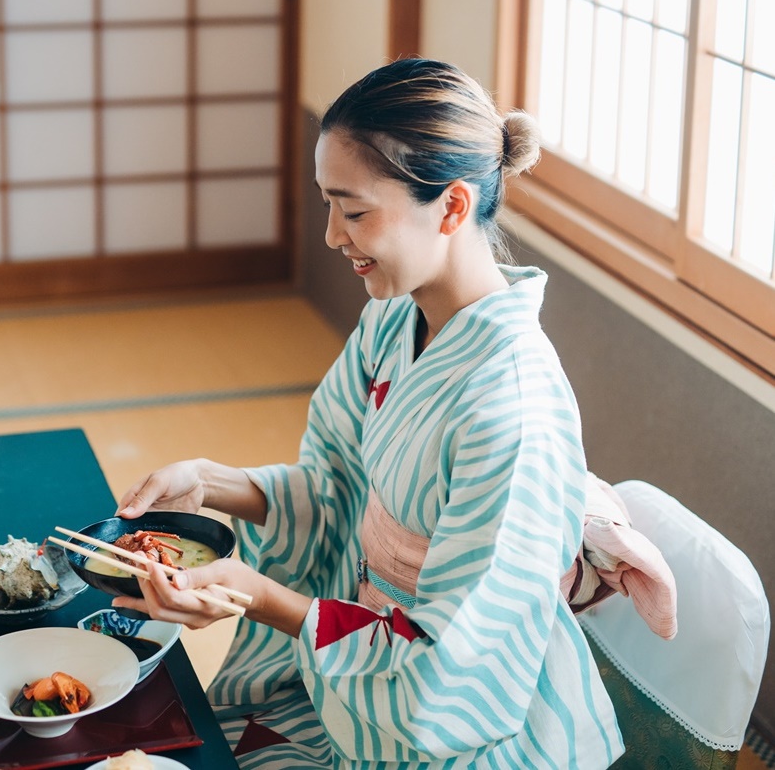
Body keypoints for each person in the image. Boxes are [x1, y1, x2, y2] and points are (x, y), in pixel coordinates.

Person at [113, 57, 625, 769]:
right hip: (349, 668)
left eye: (353, 210)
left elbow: (455, 657)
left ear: (449, 206)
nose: (331, 234)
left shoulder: (511, 408)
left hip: (458, 726)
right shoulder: (394, 319)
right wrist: (210, 483)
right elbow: (335, 489)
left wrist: (263, 598)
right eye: (328, 204)